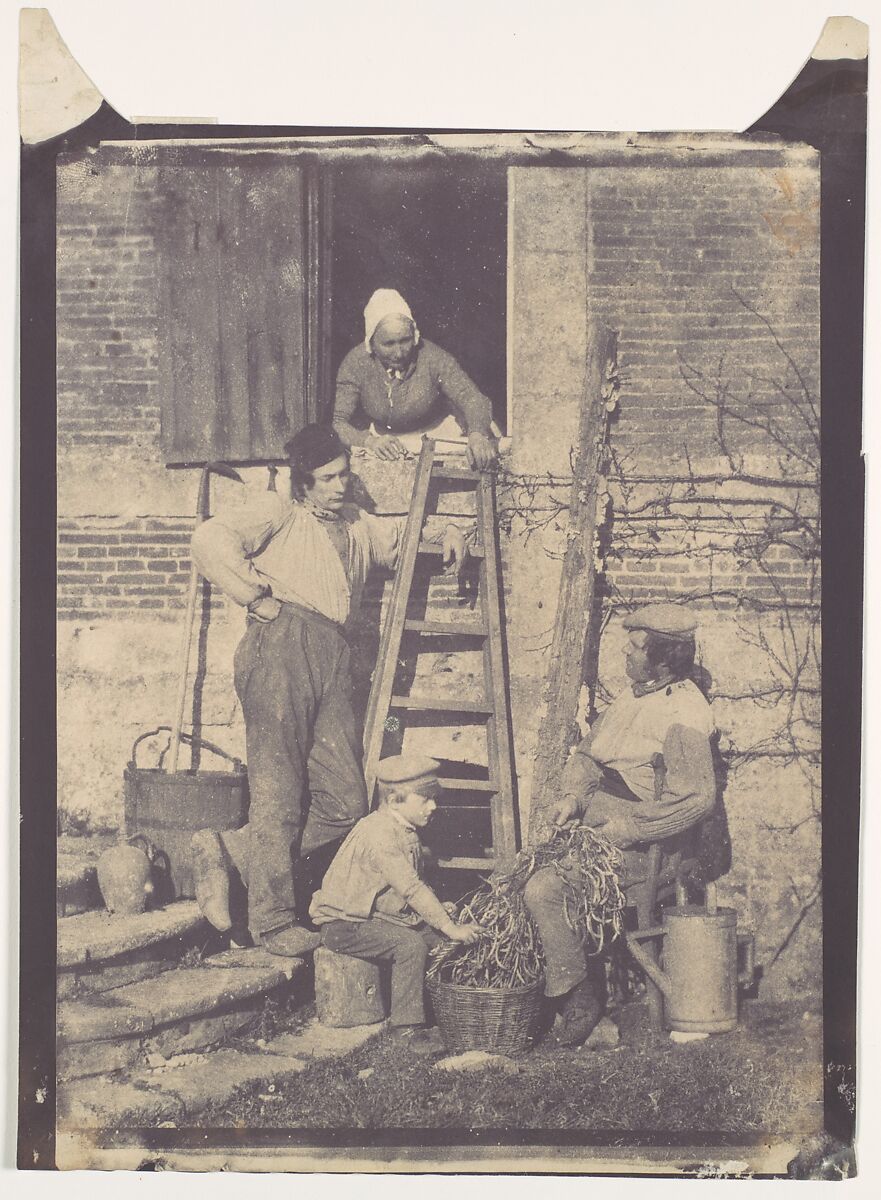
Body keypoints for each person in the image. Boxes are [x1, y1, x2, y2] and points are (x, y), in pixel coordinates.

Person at [189, 424, 468, 957]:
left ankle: (231, 851)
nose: (339, 486)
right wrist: (253, 597)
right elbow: (208, 539)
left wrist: (449, 531)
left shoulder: (357, 522)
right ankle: (271, 922)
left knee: (345, 800)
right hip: (281, 647)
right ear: (303, 484)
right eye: (327, 479)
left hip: (334, 655)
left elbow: (401, 542)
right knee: (279, 792)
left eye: (344, 475)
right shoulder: (278, 512)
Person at [524, 603, 716, 1046]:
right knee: (523, 871)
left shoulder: (684, 713)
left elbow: (695, 798)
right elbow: (590, 756)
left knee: (544, 889)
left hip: (646, 850)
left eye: (635, 648)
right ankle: (552, 991)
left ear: (664, 658)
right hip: (596, 831)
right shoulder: (634, 694)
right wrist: (572, 797)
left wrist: (628, 829)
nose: (624, 655)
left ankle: (579, 1000)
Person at [310, 753, 482, 1052]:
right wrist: (450, 925)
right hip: (345, 925)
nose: (434, 806)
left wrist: (441, 914)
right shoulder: (379, 834)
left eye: (434, 798)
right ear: (394, 800)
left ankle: (447, 1012)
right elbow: (411, 888)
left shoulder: (402, 828)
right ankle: (405, 1030)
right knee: (411, 946)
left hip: (375, 918)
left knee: (435, 939)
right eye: (425, 799)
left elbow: (405, 888)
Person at [332, 288, 500, 470]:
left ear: (415, 336)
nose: (398, 353)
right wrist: (370, 442)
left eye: (405, 341)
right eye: (388, 344)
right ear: (371, 343)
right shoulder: (355, 364)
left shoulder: (433, 357)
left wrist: (477, 434)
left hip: (438, 434)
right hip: (383, 440)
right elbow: (339, 423)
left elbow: (472, 397)